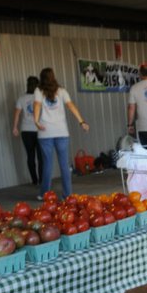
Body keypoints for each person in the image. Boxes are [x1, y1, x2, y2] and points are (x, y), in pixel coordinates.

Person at [33, 67, 89, 199]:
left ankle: (44, 194)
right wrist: (82, 122)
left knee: (47, 164)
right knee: (64, 165)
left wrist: (36, 121)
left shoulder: (38, 91)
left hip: (45, 132)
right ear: (53, 77)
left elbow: (37, 105)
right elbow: (71, 106)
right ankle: (67, 195)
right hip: (61, 132)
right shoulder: (62, 91)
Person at [12, 76, 43, 185]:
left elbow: (17, 113)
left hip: (26, 131)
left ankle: (34, 180)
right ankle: (42, 180)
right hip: (39, 130)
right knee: (41, 157)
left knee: (30, 156)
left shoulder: (21, 98)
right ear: (38, 85)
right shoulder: (40, 97)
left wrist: (15, 127)